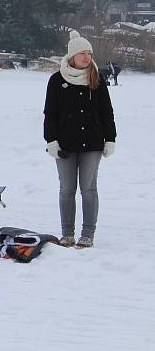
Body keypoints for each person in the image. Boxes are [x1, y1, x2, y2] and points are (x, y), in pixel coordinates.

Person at [44, 31, 116, 249]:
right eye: (82, 53)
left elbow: (107, 112)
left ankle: (87, 234)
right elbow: (50, 114)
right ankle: (67, 234)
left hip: (92, 143)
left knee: (89, 188)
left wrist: (110, 138)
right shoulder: (57, 80)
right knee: (67, 189)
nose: (87, 57)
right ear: (72, 56)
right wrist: (51, 141)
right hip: (65, 145)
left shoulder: (96, 78)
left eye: (89, 53)